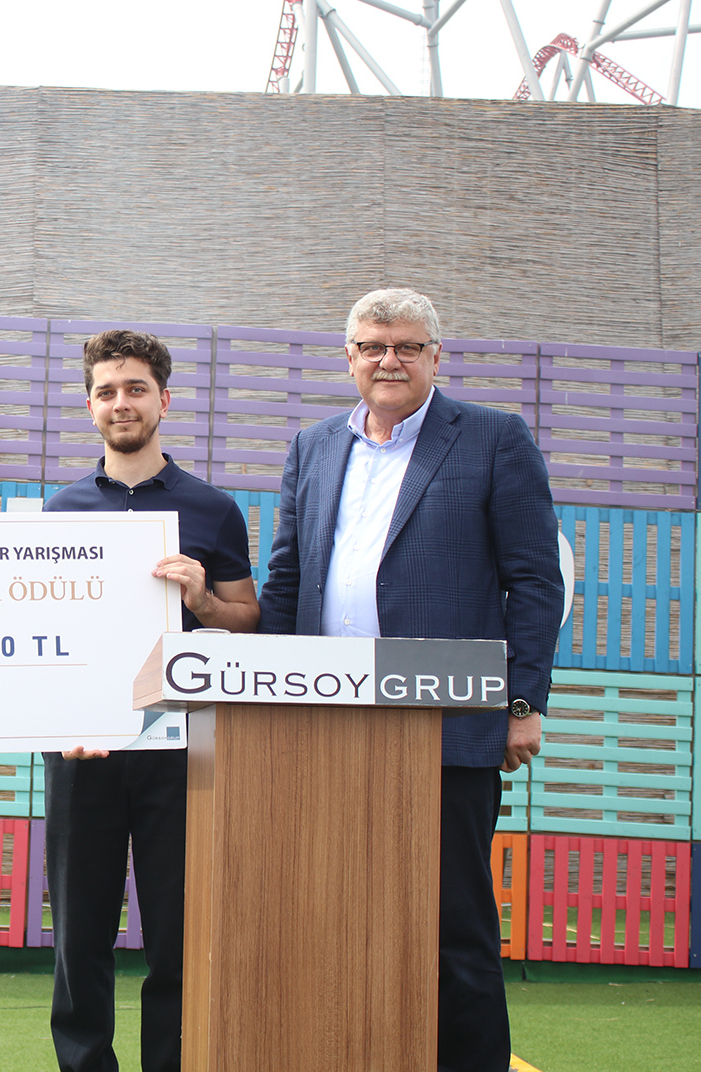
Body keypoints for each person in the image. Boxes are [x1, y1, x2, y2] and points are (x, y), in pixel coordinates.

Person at [257, 288, 564, 1072]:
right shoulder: (312, 447)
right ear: (349, 357)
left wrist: (522, 703)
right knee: (335, 912)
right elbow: (287, 581)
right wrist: (265, 698)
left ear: (435, 356)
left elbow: (535, 582)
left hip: (445, 724)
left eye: (406, 346)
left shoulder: (494, 439)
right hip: (324, 723)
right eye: (372, 346)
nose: (388, 360)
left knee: (452, 923)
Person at [43, 330, 260, 1072]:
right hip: (84, 749)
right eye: (106, 391)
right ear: (90, 406)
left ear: (164, 400)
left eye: (135, 389)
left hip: (184, 748)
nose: (121, 403)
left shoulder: (213, 509)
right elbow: (44, 633)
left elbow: (248, 620)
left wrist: (204, 601)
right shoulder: (60, 510)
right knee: (80, 934)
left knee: (178, 931)